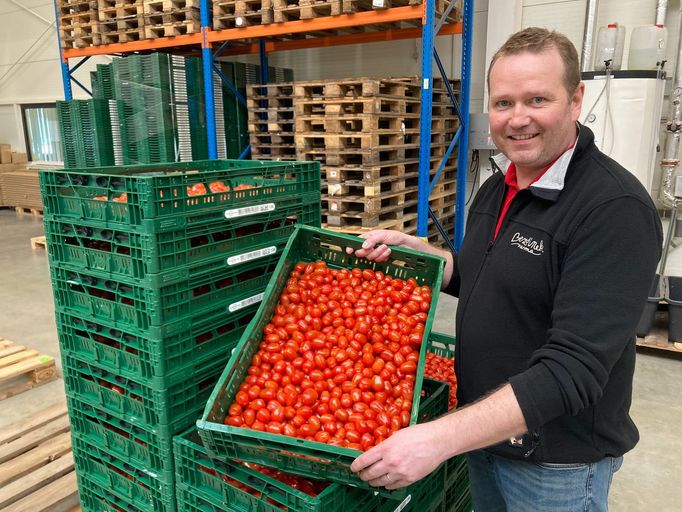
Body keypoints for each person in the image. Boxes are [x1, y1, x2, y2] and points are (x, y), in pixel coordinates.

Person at [348, 27, 662, 511]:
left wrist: (438, 438)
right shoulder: (499, 186)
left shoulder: (613, 209)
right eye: (502, 103)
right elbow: (483, 276)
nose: (518, 119)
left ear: (576, 100)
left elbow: (572, 370)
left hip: (555, 463)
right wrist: (428, 256)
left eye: (538, 99)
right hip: (485, 435)